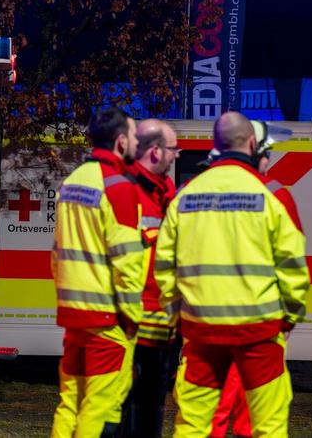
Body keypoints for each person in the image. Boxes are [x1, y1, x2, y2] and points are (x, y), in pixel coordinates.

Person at [154, 112, 309, 438]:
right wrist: (288, 318)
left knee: (195, 424)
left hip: (201, 333)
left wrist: (177, 318)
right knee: (267, 425)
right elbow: (293, 269)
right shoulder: (272, 196)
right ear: (252, 144)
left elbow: (164, 267)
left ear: (215, 145)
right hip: (260, 333)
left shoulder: (185, 195)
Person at [50, 107, 145, 438]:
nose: (137, 143)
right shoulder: (119, 187)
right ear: (121, 142)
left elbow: (58, 251)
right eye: (134, 137)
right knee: (98, 408)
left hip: (74, 315)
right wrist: (134, 318)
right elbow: (128, 260)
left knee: (70, 403)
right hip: (108, 319)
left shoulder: (72, 182)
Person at [120, 119, 179, 438]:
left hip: (160, 323)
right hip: (127, 323)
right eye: (173, 149)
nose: (177, 155)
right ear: (155, 151)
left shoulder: (166, 192)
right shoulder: (124, 190)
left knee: (152, 407)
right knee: (122, 409)